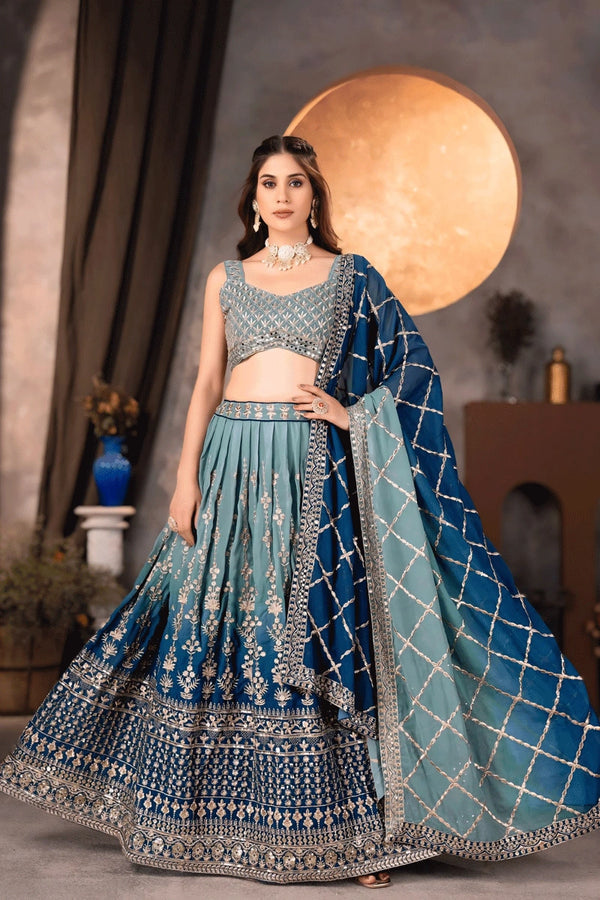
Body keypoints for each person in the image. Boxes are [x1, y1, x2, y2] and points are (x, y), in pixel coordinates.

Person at [1, 135, 599, 889]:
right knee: (212, 617)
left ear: (315, 196)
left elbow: (413, 369)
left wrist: (357, 417)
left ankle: (353, 835)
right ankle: (200, 816)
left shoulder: (352, 278)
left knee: (312, 630)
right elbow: (205, 383)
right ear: (253, 198)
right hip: (229, 462)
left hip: (313, 469)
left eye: (295, 183)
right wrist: (184, 479)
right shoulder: (226, 278)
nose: (281, 195)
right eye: (268, 183)